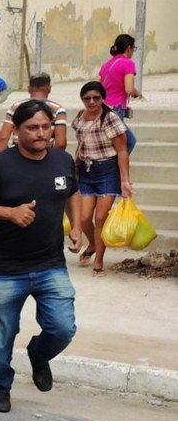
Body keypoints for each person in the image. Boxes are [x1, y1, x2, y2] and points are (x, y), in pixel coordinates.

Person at [0, 100, 82, 414]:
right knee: (3, 334)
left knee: (63, 328)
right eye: (32, 128)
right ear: (16, 131)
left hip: (50, 264)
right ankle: (1, 386)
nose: (41, 133)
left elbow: (72, 192)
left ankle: (39, 355)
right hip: (7, 269)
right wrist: (8, 213)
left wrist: (78, 226)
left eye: (46, 127)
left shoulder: (62, 161)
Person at [70, 81, 134, 277]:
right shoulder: (80, 117)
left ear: (102, 98)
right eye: (87, 98)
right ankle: (93, 244)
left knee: (100, 217)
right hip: (86, 170)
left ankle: (98, 263)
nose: (91, 102)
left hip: (107, 171)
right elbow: (81, 143)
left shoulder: (110, 118)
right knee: (83, 218)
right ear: (82, 99)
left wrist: (125, 181)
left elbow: (122, 150)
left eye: (96, 98)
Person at [0, 73, 68, 154]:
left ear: (29, 89)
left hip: (17, 158)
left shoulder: (15, 107)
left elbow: (3, 138)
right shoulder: (58, 110)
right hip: (44, 158)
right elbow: (60, 143)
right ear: (49, 89)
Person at [98, 33, 140, 153]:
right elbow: (129, 89)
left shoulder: (106, 64)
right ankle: (116, 168)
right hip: (116, 110)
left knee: (114, 143)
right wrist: (137, 92)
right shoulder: (128, 63)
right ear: (128, 48)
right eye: (133, 48)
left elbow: (98, 85)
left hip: (103, 108)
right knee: (129, 141)